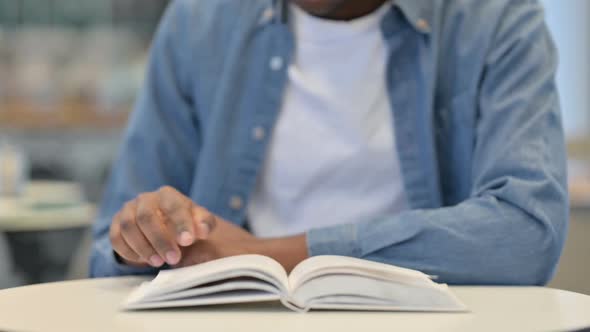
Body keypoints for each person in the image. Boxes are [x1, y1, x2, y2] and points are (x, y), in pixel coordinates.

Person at [90, 0, 568, 285]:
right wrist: (142, 238)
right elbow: (104, 252)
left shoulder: (493, 20)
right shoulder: (200, 21)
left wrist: (260, 256)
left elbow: (526, 234)